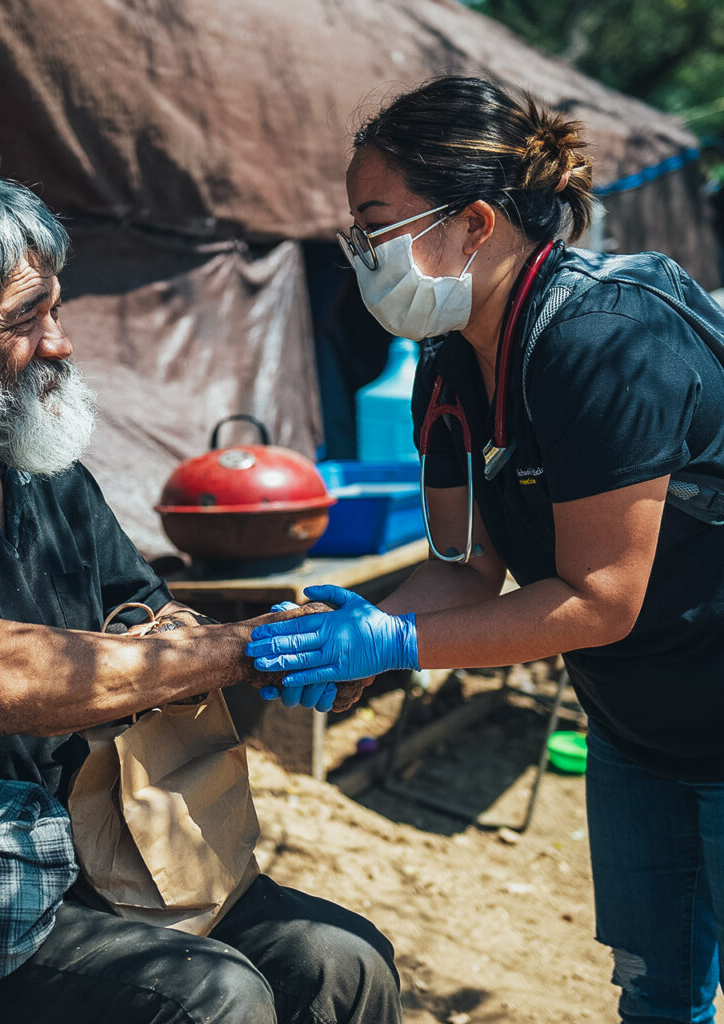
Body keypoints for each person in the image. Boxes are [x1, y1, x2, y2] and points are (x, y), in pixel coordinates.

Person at [0, 167, 401, 1024]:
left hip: (104, 841)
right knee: (217, 1001)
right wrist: (242, 649)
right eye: (25, 319)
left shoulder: (32, 457)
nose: (57, 342)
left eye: (55, 308)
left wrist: (287, 650)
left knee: (342, 964)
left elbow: (149, 614)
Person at [247, 76, 724, 1023]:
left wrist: (395, 646)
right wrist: (369, 632)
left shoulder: (604, 342)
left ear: (472, 222)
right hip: (637, 728)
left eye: (373, 222)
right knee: (657, 992)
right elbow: (466, 566)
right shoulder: (450, 364)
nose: (359, 252)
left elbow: (599, 599)